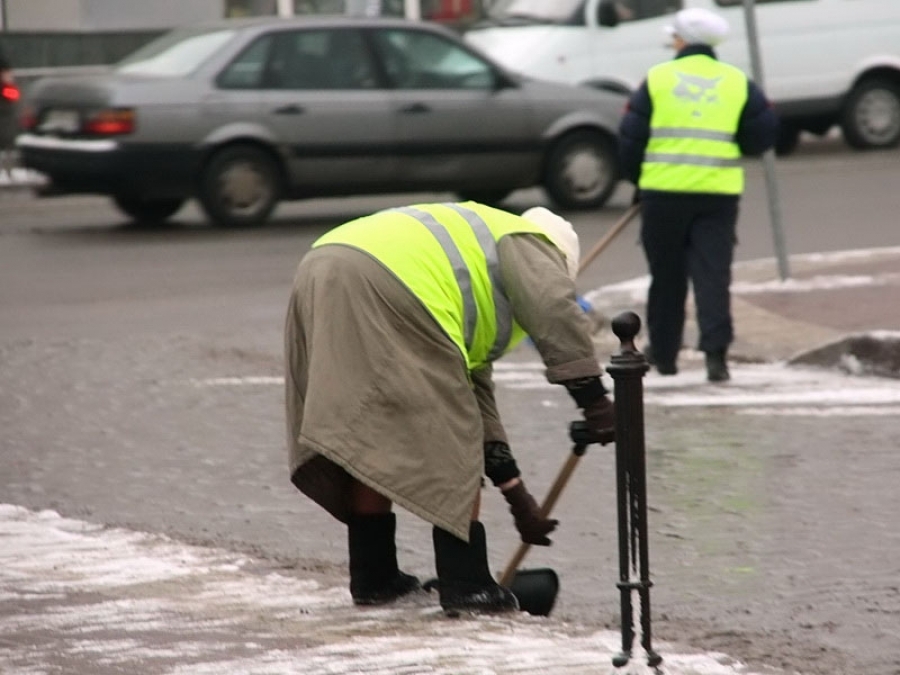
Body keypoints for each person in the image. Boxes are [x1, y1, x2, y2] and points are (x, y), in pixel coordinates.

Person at [284, 201, 615, 615]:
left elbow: (477, 400)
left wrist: (518, 497)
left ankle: (375, 577)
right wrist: (594, 399)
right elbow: (554, 309)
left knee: (369, 429)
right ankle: (468, 585)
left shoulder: (475, 286)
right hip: (386, 280)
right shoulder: (532, 242)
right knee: (452, 434)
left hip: (323, 264)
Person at [617, 7, 779, 382]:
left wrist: (636, 180)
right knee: (712, 276)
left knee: (667, 277)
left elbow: (630, 138)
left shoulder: (657, 79)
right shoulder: (736, 81)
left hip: (663, 194)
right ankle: (716, 358)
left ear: (681, 41)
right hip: (716, 195)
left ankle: (665, 355)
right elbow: (763, 134)